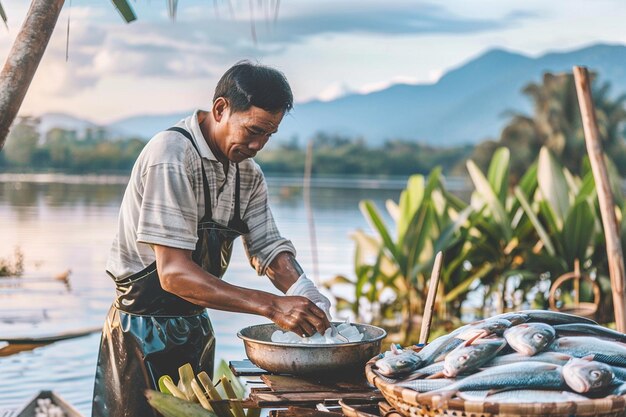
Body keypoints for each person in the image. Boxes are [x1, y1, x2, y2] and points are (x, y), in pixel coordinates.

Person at [92, 61, 332, 417]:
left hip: (195, 329)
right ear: (221, 108)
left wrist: (302, 289)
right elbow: (172, 274)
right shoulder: (171, 155)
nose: (258, 144)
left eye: (269, 134)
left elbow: (268, 248)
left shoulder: (248, 174)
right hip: (140, 333)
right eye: (253, 129)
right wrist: (272, 306)